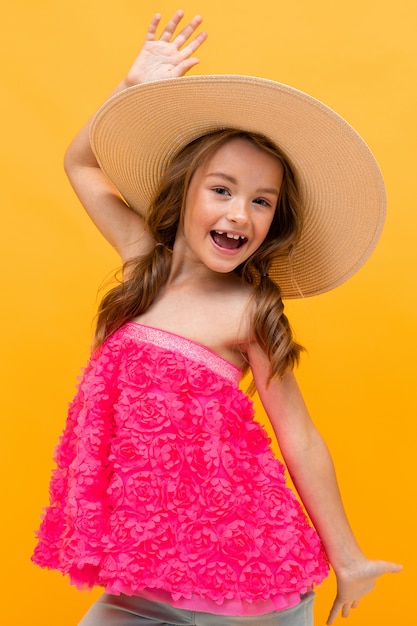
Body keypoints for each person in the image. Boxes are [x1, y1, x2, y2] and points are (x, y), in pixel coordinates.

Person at [32, 10, 402, 626]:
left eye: (262, 201)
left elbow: (300, 437)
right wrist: (130, 88)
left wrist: (349, 558)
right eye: (222, 190)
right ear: (183, 196)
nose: (240, 214)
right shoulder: (140, 265)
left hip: (248, 583)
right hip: (147, 577)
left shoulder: (250, 309)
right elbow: (82, 165)